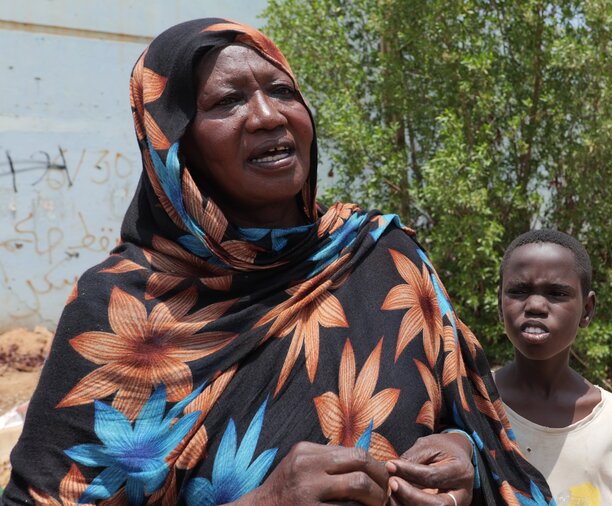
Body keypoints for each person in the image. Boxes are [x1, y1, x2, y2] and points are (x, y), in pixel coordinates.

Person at [2, 19, 552, 506]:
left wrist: (462, 457)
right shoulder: (117, 306)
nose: (267, 116)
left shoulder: (383, 260)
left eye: (282, 91)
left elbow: (472, 422)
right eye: (227, 102)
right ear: (175, 148)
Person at [492, 230, 612, 506]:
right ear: (500, 304)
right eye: (519, 291)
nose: (534, 305)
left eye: (556, 294)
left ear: (587, 310)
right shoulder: (475, 403)